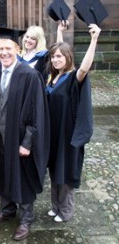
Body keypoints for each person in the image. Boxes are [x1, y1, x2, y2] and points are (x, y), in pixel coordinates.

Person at [0, 27, 50, 241]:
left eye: (8, 48)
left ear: (17, 49)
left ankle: (26, 218)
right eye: (0, 48)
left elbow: (37, 113)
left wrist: (28, 142)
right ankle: (7, 210)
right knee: (2, 173)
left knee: (23, 178)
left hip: (19, 140)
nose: (4, 53)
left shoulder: (30, 76)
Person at [46, 22, 101, 222]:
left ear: (68, 58)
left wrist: (94, 40)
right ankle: (55, 206)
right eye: (53, 57)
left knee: (65, 171)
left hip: (67, 133)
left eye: (60, 56)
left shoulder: (72, 78)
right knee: (53, 169)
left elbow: (85, 68)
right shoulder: (52, 77)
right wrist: (59, 32)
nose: (55, 59)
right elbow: (59, 49)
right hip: (53, 133)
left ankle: (66, 210)